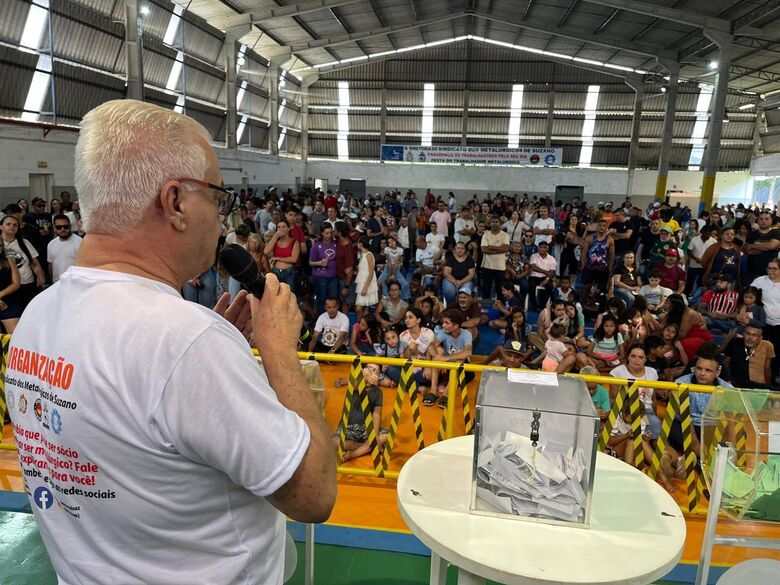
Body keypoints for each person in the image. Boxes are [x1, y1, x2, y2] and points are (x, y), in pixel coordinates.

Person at [7, 100, 335, 584]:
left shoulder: (38, 315)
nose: (222, 218)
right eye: (217, 198)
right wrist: (279, 353)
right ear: (176, 202)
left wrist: (219, 356)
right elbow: (313, 493)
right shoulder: (186, 342)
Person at [335, 363, 389, 462]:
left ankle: (352, 454)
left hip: (366, 428)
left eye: (376, 371)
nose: (373, 373)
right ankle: (368, 447)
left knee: (387, 436)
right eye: (369, 369)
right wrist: (365, 378)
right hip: (349, 427)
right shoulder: (356, 383)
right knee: (333, 441)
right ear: (362, 371)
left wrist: (375, 436)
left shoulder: (378, 392)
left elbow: (376, 415)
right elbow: (354, 386)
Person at [609, 344, 661, 439]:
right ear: (628, 357)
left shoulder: (652, 372)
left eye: (641, 357)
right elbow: (612, 399)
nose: (636, 360)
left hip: (645, 410)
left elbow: (653, 398)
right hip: (624, 411)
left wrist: (654, 414)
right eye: (633, 356)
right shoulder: (617, 372)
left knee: (654, 423)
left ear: (645, 359)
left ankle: (654, 448)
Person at [426, 307, 475, 408]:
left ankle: (446, 394)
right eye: (443, 322)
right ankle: (433, 391)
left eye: (447, 323)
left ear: (456, 326)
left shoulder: (466, 334)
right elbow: (430, 346)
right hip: (447, 367)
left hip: (464, 371)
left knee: (461, 356)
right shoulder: (443, 332)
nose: (443, 325)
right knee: (437, 352)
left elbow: (468, 352)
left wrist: (446, 359)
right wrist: (438, 358)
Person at [0, 214, 45, 310]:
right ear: (1, 226)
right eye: (8, 224)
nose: (12, 226)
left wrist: (40, 276)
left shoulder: (24, 243)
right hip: (8, 288)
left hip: (27, 284)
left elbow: (35, 263)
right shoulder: (0, 244)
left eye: (15, 225)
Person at [720, 321, 775, 388]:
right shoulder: (735, 343)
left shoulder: (767, 346)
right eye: (748, 333)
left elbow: (767, 369)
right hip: (737, 384)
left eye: (754, 335)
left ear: (760, 338)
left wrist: (768, 387)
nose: (750, 337)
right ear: (743, 334)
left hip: (758, 386)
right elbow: (726, 363)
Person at [752, 258, 780, 382]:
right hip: (763, 323)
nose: (771, 271)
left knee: (776, 352)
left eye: (774, 268)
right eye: (769, 268)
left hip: (779, 324)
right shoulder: (760, 281)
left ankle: (773, 378)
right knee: (758, 349)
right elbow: (747, 296)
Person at [480, 216, 511, 301]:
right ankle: (486, 308)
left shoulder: (505, 235)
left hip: (500, 267)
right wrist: (499, 250)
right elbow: (483, 249)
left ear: (500, 224)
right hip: (487, 265)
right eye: (492, 222)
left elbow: (506, 249)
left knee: (500, 290)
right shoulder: (486, 234)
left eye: (496, 222)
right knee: (486, 289)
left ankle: (501, 310)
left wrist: (491, 247)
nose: (494, 223)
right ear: (490, 223)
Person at [264, 219, 299, 289]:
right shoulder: (275, 241)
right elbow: (266, 252)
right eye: (279, 227)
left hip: (288, 272)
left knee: (288, 294)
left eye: (283, 227)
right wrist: (275, 237)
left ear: (288, 229)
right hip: (275, 271)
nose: (281, 229)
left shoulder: (294, 242)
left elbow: (294, 259)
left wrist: (278, 258)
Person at [47, 213, 82, 283]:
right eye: (59, 227)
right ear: (54, 228)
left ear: (70, 226)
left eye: (65, 226)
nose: (62, 229)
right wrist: (52, 280)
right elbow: (50, 265)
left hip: (75, 283)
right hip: (56, 283)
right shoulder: (51, 244)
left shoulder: (80, 242)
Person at [580, 219, 614, 292]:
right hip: (589, 267)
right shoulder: (589, 237)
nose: (601, 227)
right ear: (597, 227)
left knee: (600, 289)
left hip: (602, 268)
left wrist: (610, 268)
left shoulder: (610, 240)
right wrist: (583, 266)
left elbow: (611, 255)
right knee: (586, 288)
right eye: (600, 225)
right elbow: (584, 253)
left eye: (603, 226)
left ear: (606, 227)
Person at [0, 238, 21, 333]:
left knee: (14, 335)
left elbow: (16, 283)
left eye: (0, 245)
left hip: (9, 302)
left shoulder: (9, 260)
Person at [355, 237, 378, 319]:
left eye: (358, 243)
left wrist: (366, 287)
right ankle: (361, 326)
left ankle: (361, 325)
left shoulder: (369, 255)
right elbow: (362, 271)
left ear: (361, 244)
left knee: (359, 308)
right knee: (363, 308)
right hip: (362, 282)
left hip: (366, 284)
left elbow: (371, 272)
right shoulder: (362, 255)